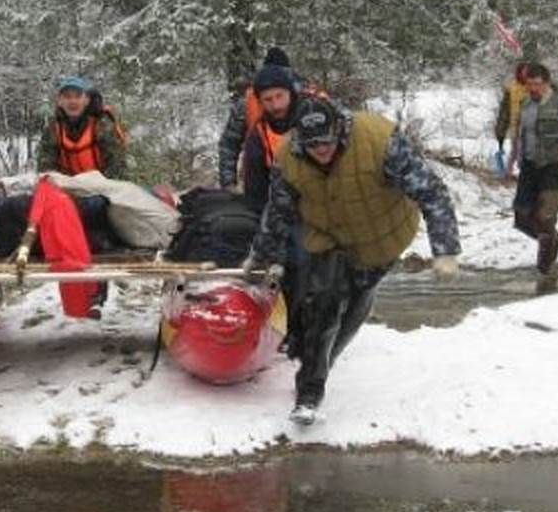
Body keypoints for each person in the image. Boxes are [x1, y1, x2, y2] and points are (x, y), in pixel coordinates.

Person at [243, 97, 461, 425]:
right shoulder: (290, 157)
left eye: (327, 142)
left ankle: (325, 359)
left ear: (339, 129)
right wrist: (260, 256)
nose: (321, 150)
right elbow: (278, 213)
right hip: (328, 233)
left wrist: (445, 249)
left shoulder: (379, 140)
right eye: (312, 144)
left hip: (382, 234)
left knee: (356, 304)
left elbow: (431, 191)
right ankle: (309, 392)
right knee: (324, 302)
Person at [504, 62, 558, 274]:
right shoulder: (525, 105)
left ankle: (545, 271)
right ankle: (555, 239)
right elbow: (518, 137)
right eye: (530, 84)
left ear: (546, 83)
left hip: (552, 167)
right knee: (522, 218)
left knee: (545, 217)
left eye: (537, 84)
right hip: (528, 167)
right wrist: (510, 164)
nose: (533, 88)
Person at [217, 46, 298, 189]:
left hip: (259, 176)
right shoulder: (309, 95)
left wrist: (228, 182)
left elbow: (229, 144)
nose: (275, 104)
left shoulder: (247, 101)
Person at [36, 75, 127, 179]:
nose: (73, 101)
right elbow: (45, 166)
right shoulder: (54, 128)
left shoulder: (102, 124)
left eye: (78, 96)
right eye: (67, 97)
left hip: (102, 185)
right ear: (60, 102)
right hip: (67, 186)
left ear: (87, 100)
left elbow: (117, 165)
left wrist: (100, 188)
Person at [493, 63, 529, 172]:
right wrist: (501, 129)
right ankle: (508, 172)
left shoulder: (534, 86)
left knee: (527, 151)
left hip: (531, 125)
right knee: (515, 150)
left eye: (528, 71)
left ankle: (525, 173)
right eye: (524, 71)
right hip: (515, 125)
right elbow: (504, 111)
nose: (526, 74)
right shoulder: (511, 88)